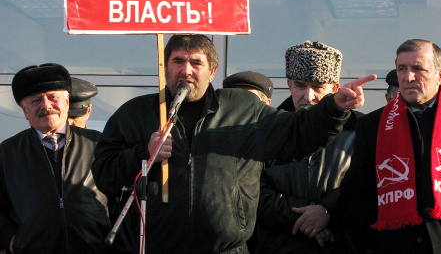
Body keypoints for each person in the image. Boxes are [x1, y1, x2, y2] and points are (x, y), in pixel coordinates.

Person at [91, 34, 376, 254]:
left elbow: (296, 134)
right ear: (165, 67)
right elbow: (104, 173)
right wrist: (143, 154)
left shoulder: (242, 109)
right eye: (178, 61)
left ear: (212, 71)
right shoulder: (134, 114)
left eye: (196, 63)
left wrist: (334, 108)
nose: (186, 70)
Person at [339, 39, 441, 254]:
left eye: (418, 69)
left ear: (440, 75)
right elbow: (356, 192)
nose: (408, 77)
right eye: (402, 69)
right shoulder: (373, 125)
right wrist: (374, 237)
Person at [253, 40, 360, 254]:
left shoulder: (360, 130)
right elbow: (254, 189)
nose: (308, 96)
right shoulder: (266, 130)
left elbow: (366, 185)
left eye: (318, 87)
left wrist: (328, 211)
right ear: (289, 84)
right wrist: (309, 220)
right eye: (300, 85)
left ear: (335, 87)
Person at [0, 63, 111, 253]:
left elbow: (123, 198)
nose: (46, 105)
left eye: (53, 97)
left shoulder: (99, 145)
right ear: (25, 110)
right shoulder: (7, 154)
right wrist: (13, 243)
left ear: (67, 102)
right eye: (36, 100)